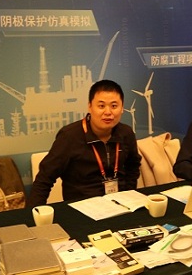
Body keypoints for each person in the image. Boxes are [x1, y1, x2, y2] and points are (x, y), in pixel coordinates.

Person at [28, 79, 141, 207]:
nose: (108, 112)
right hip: (82, 208)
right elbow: (44, 178)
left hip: (121, 205)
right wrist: (34, 213)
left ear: (122, 108)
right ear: (90, 106)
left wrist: (128, 195)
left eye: (114, 106)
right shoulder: (69, 136)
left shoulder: (126, 133)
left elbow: (133, 166)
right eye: (101, 106)